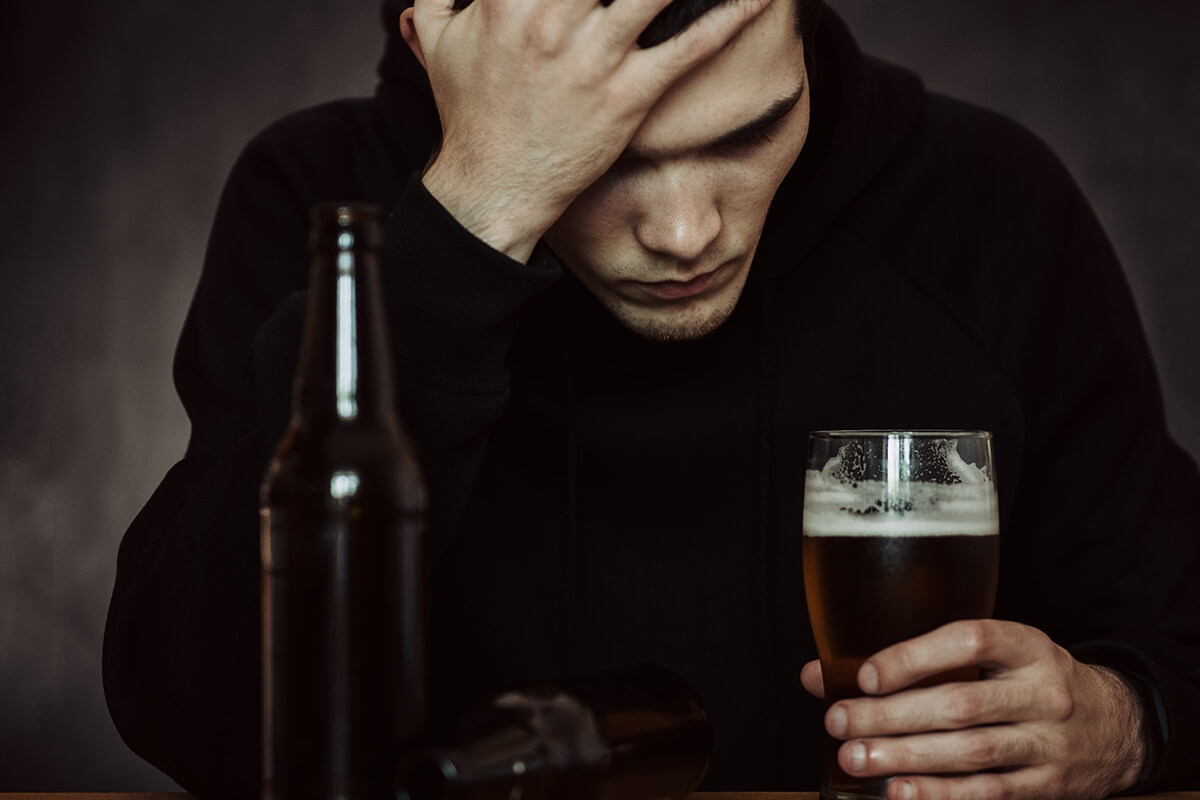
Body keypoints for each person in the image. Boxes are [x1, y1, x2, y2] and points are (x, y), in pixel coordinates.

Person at [103, 0, 1200, 797]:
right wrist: (473, 214)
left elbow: (1178, 628)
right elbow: (193, 709)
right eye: (604, 158)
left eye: (747, 132)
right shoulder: (325, 206)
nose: (686, 232)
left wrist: (1127, 720)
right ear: (433, 45)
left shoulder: (987, 204)